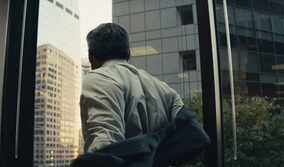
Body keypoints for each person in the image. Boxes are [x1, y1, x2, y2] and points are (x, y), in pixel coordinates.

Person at [74, 23, 209, 167]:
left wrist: (145, 147)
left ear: (90, 56)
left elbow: (103, 147)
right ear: (128, 55)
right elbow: (197, 137)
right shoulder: (163, 88)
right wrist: (150, 151)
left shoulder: (98, 77)